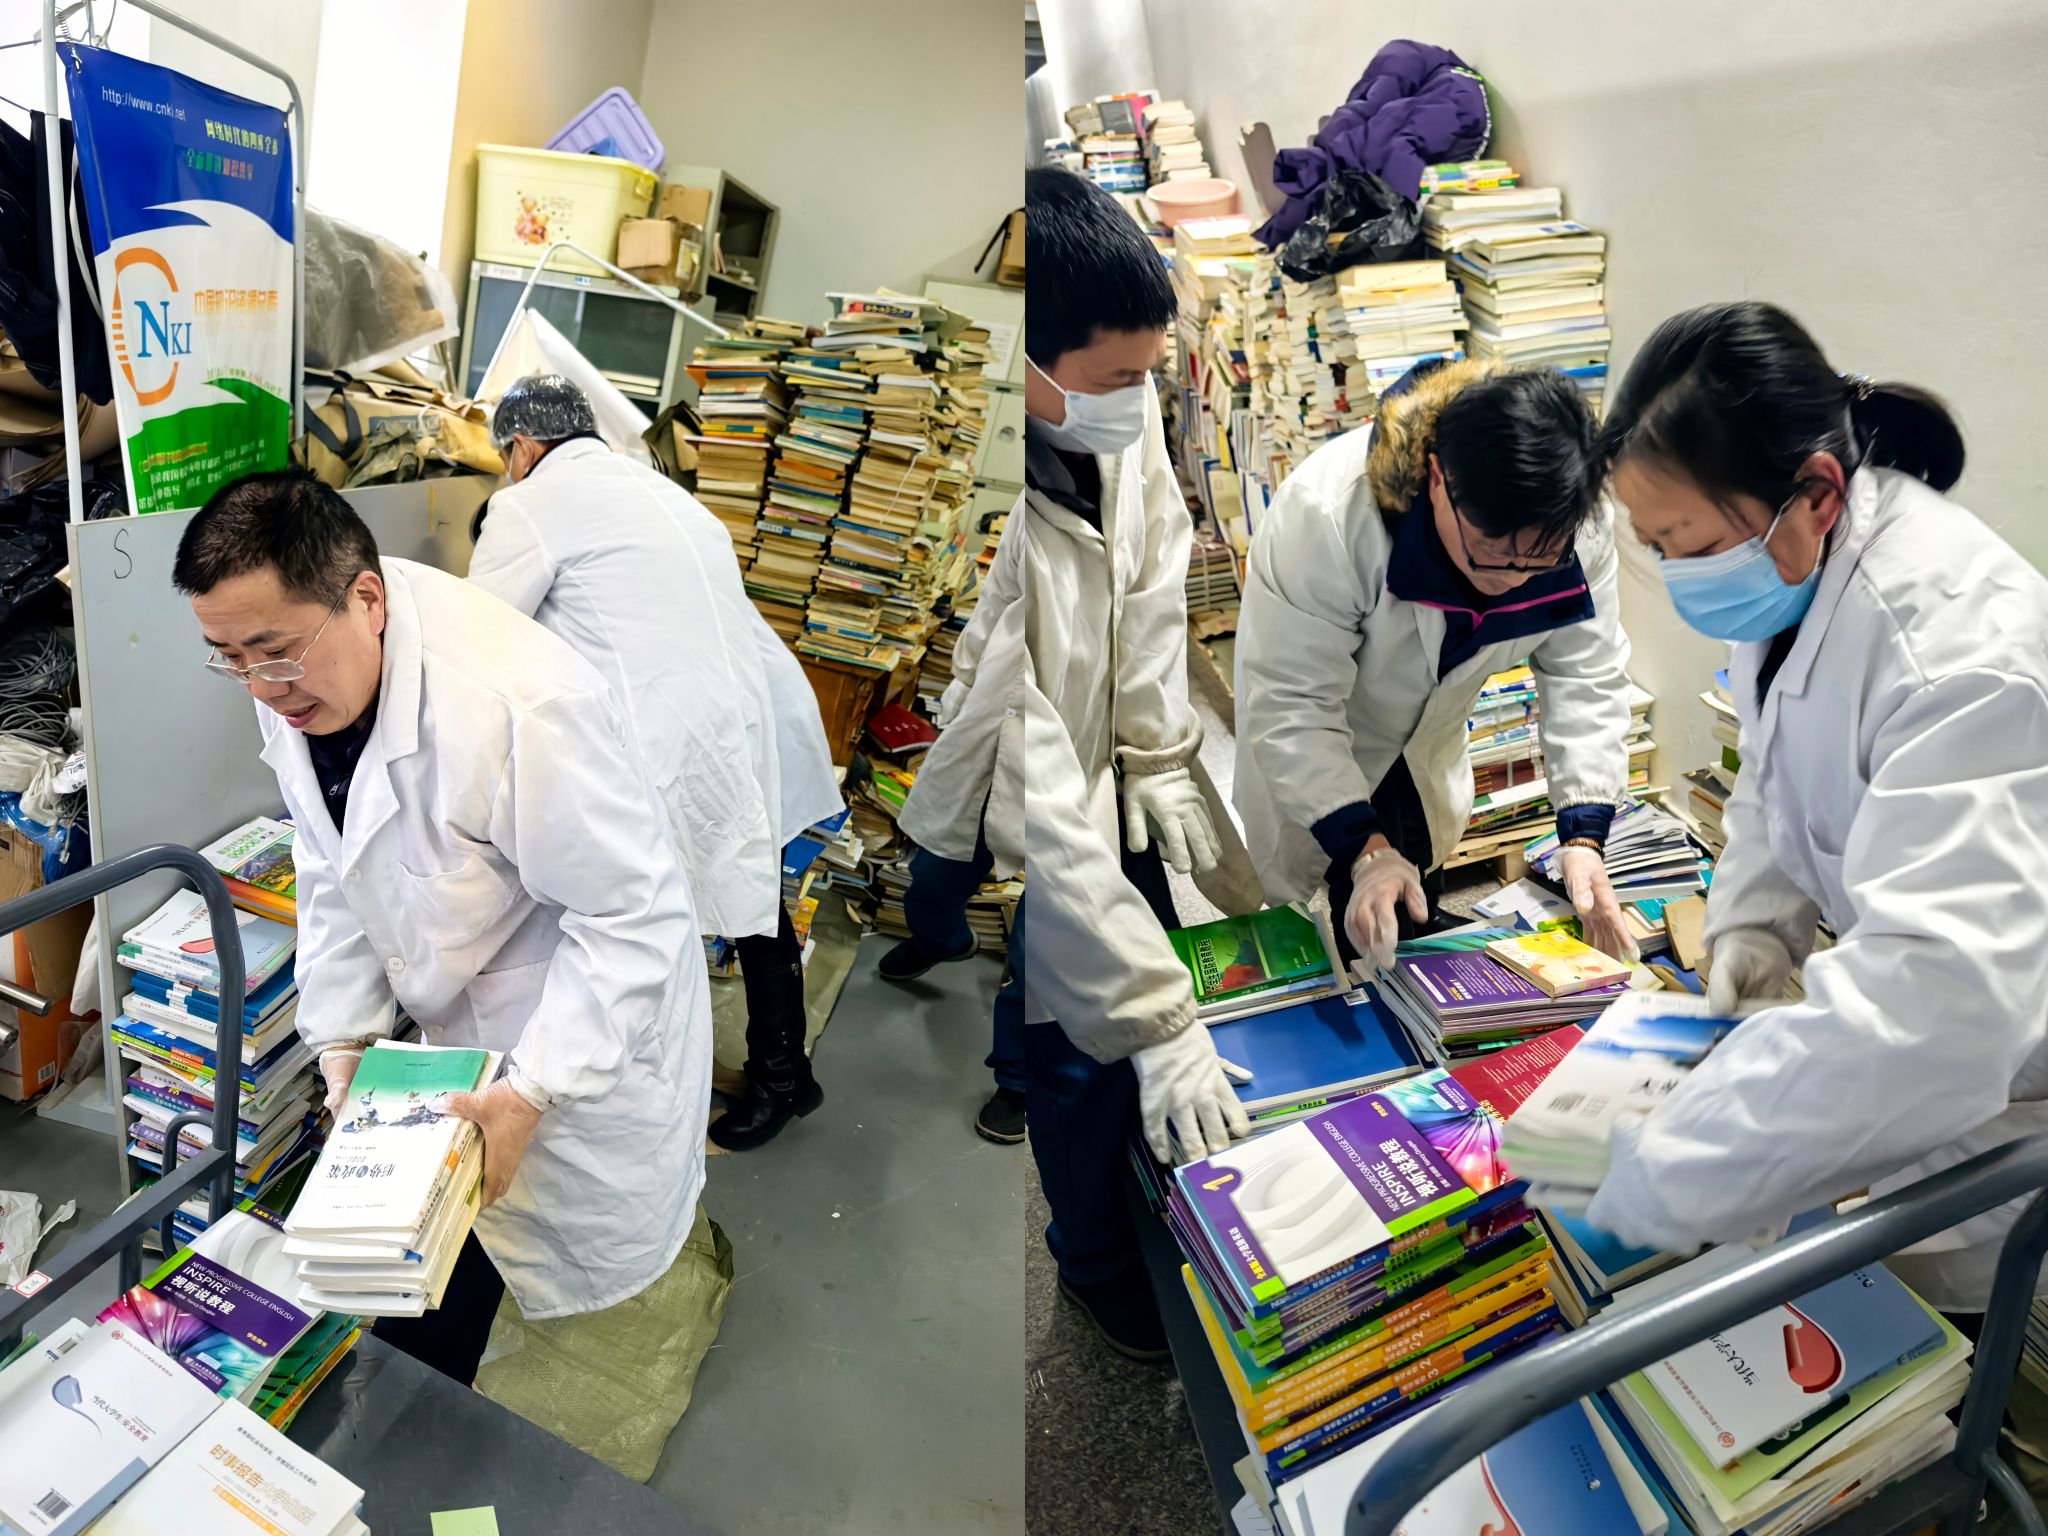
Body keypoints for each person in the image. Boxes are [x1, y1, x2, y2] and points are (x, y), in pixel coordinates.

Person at [172, 470, 714, 1388]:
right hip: (454, 1037)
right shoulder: (318, 680)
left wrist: (533, 1090)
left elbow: (631, 916)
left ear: (367, 599)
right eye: (228, 658)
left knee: (520, 1301)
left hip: (570, 1023)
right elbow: (334, 862)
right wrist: (342, 1040)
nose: (261, 688)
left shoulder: (516, 707)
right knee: (422, 1281)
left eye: (273, 653)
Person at [1581, 300, 2048, 1318]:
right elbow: (1773, 772)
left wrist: (1676, 1167)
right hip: (1931, 1054)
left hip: (2008, 1070)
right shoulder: (1794, 567)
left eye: (1685, 542)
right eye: (1655, 545)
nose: (1677, 573)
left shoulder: (1958, 656)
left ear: (1817, 492)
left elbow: (1939, 1009)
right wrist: (1751, 930)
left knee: (1945, 1340)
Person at [903, 167, 1259, 1359]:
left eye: (1149, 373)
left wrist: (1156, 754)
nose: (1138, 402)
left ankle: (1098, 1115)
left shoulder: (1118, 411)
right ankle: (1091, 1260)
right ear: (1036, 369)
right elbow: (1044, 807)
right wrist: (1155, 1023)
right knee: (1070, 1033)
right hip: (1029, 765)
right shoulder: (1025, 514)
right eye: (1114, 380)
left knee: (1128, 962)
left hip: (1110, 760)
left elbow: (1154, 588)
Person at [469, 375, 843, 1153]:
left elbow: (476, 635)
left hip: (667, 742)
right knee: (747, 895)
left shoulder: (528, 504)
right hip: (737, 721)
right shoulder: (665, 494)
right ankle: (789, 1073)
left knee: (646, 916)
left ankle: (686, 1097)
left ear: (523, 448)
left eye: (506, 458)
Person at [1234, 355, 1639, 972]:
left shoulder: (1578, 519)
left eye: (1536, 563)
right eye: (1488, 553)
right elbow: (1295, 703)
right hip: (1326, 734)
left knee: (1418, 894)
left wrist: (1583, 836)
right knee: (1337, 927)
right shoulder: (1328, 515)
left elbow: (1584, 673)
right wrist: (1366, 850)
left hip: (1429, 744)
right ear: (1436, 479)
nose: (1511, 580)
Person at [881, 517, 1024, 1145]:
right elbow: (999, 593)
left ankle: (1018, 1082)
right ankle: (943, 940)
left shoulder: (1140, 493)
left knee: (1043, 944)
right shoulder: (1034, 496)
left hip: (1081, 740)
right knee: (933, 876)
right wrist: (964, 681)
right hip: (1002, 712)